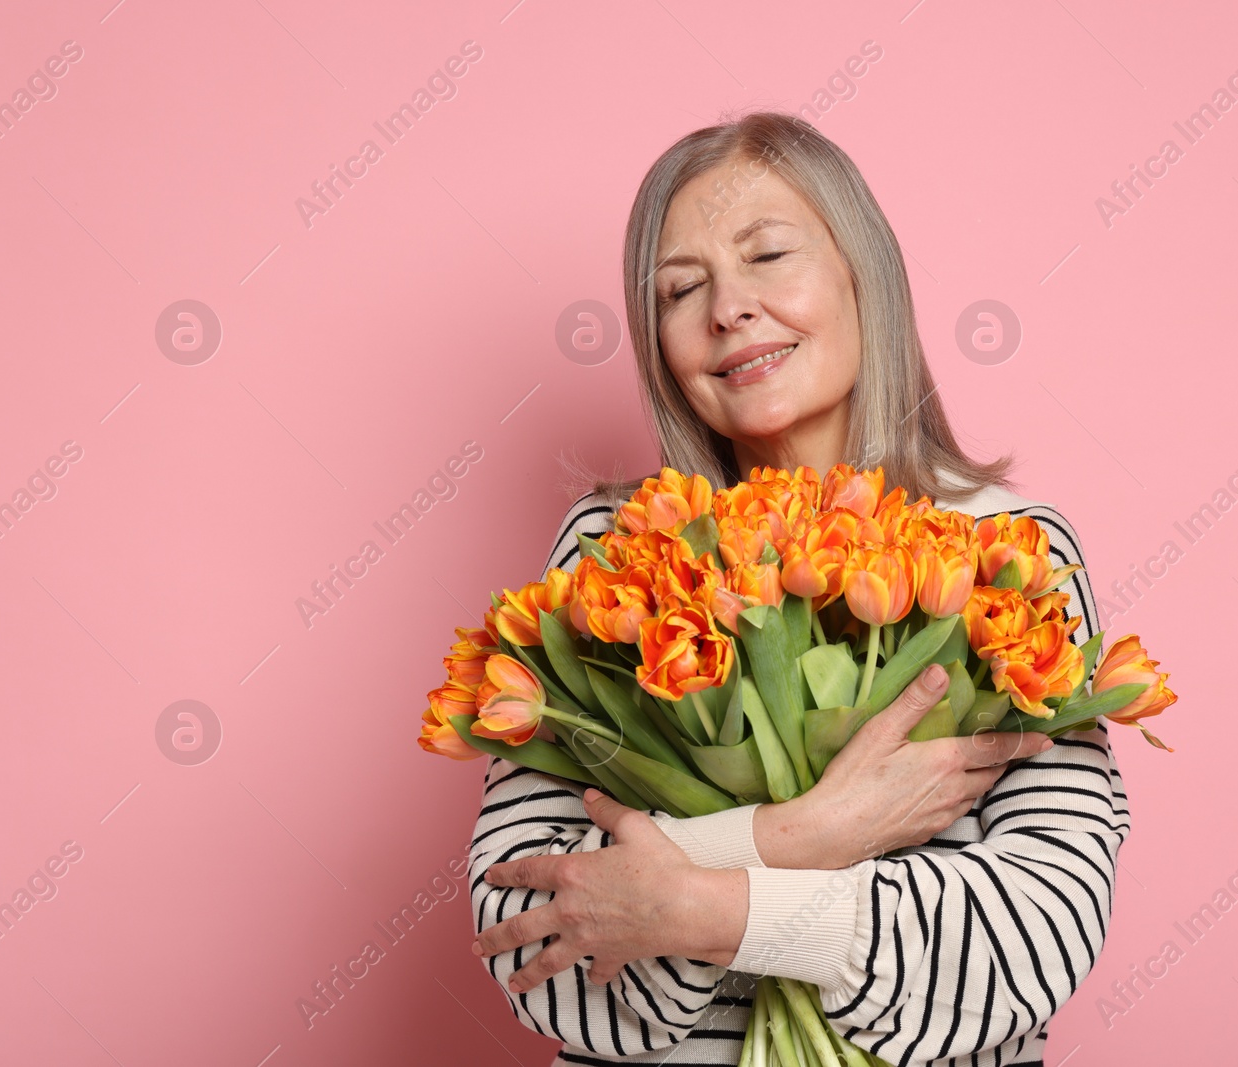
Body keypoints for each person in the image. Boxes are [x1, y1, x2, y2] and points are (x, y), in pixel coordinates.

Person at [467, 111, 1131, 1067]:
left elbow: (1039, 933)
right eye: (681, 288)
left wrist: (706, 900)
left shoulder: (1006, 548)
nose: (727, 308)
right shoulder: (613, 555)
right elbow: (532, 937)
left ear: (867, 275)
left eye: (768, 254)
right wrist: (809, 833)